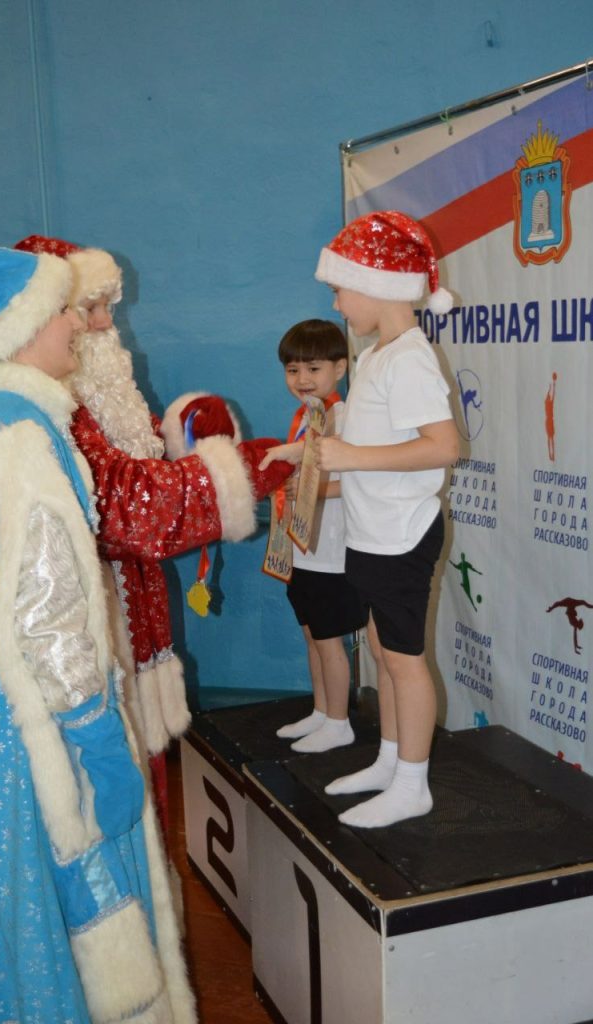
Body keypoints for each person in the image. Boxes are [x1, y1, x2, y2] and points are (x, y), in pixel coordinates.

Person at [0, 245, 199, 1024]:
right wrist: (99, 743)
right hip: (28, 729)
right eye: (67, 309)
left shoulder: (1, 420)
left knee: (7, 916)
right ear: (27, 324)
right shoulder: (19, 435)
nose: (81, 324)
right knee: (61, 921)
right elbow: (48, 614)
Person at [13, 235, 293, 837]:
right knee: (104, 815)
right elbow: (125, 507)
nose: (103, 324)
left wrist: (184, 436)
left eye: (106, 307)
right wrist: (248, 467)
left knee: (140, 799)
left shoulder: (92, 392)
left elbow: (140, 470)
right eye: (89, 308)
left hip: (129, 618)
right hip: (79, 642)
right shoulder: (45, 406)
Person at [264, 211, 459, 828]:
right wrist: (301, 453)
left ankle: (413, 784)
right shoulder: (376, 355)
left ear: (377, 284)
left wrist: (351, 458)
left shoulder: (410, 358)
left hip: (402, 534)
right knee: (381, 649)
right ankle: (391, 760)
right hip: (373, 534)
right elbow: (363, 440)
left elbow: (443, 446)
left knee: (403, 659)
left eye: (340, 289)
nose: (337, 303)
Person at [271, 319, 366, 753]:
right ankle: (322, 711)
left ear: (340, 369)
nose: (302, 379)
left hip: (332, 551)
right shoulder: (305, 418)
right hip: (302, 548)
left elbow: (360, 479)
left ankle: (340, 722)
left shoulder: (347, 418)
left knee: (330, 640)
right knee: (311, 634)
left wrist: (313, 490)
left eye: (313, 369)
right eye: (293, 370)